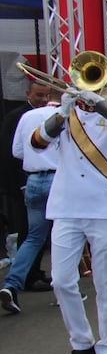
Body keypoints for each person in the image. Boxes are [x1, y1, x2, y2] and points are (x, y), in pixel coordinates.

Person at [29, 81, 107, 354]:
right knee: (62, 280)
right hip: (66, 208)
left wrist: (101, 104)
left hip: (104, 208)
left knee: (105, 282)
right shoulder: (65, 118)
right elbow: (37, 142)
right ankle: (81, 342)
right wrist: (63, 111)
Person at [0, 79, 55, 313]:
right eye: (38, 94)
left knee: (33, 237)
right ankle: (67, 289)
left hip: (33, 181)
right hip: (57, 181)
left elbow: (16, 152)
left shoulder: (25, 117)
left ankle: (11, 285)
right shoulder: (61, 117)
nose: (42, 99)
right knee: (65, 236)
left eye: (45, 95)